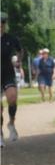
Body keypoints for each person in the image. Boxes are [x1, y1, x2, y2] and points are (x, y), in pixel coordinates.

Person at [1, 12, 23, 145]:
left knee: (12, 97)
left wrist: (19, 61)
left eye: (3, 22)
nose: (0, 25)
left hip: (8, 72)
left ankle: (11, 123)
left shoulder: (11, 38)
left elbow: (20, 50)